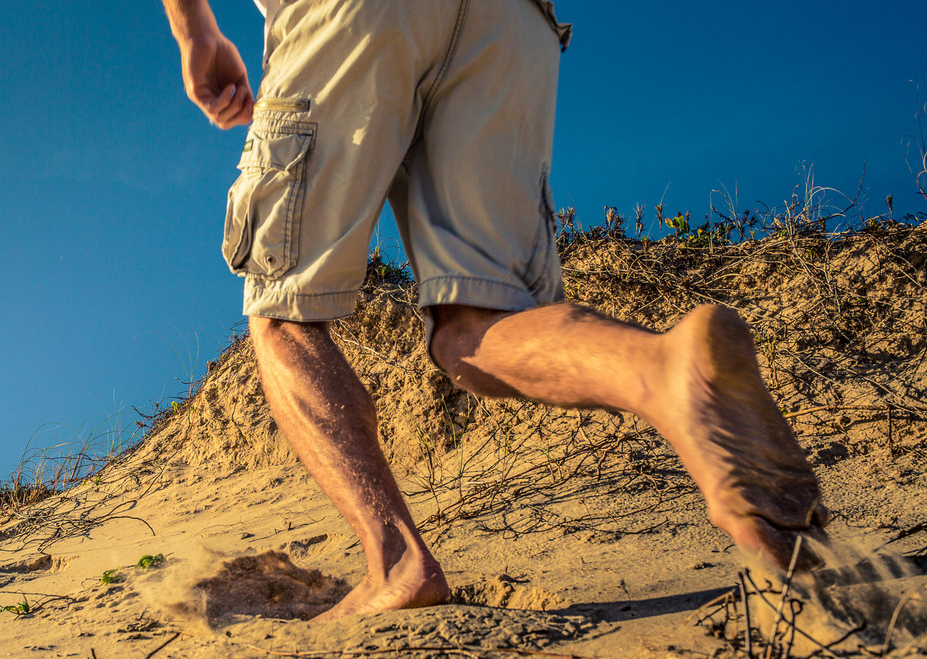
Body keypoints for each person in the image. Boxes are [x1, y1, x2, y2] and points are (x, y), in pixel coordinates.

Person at [160, 0, 829, 620]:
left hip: (353, 15)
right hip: (513, 19)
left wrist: (197, 34)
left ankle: (396, 564)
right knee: (476, 331)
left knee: (284, 314)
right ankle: (663, 367)